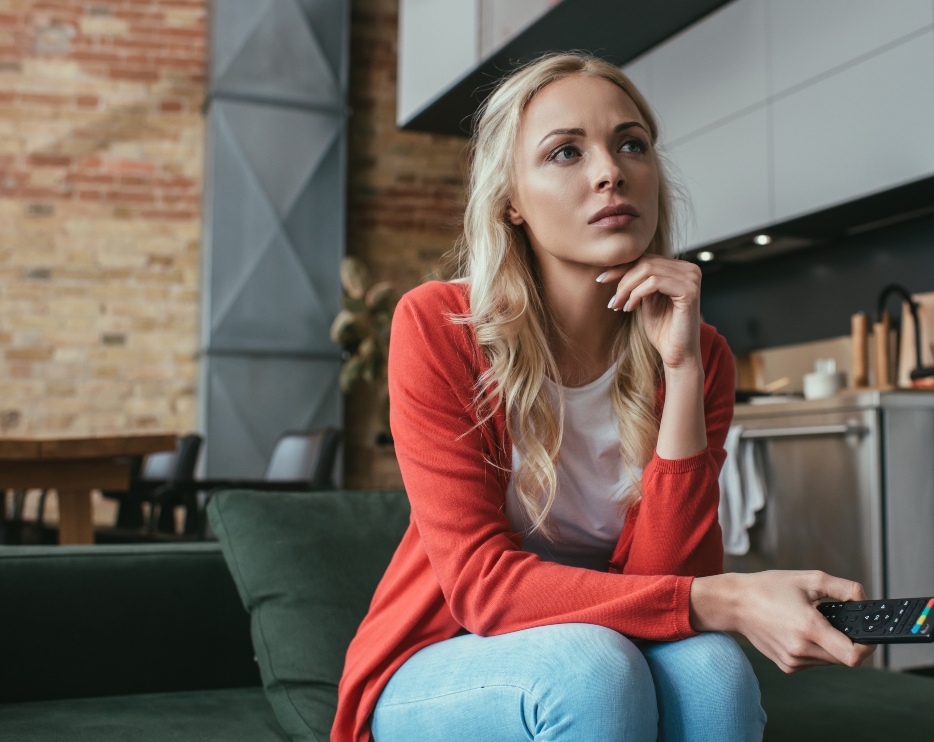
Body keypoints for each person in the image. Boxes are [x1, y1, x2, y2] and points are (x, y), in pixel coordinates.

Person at [332, 53, 874, 742]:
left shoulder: (701, 353)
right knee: (592, 668)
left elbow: (664, 587)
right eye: (565, 152)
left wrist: (677, 372)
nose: (610, 170)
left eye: (631, 144)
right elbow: (482, 589)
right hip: (445, 659)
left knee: (714, 671)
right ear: (511, 201)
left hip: (608, 646)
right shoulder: (439, 327)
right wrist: (727, 597)